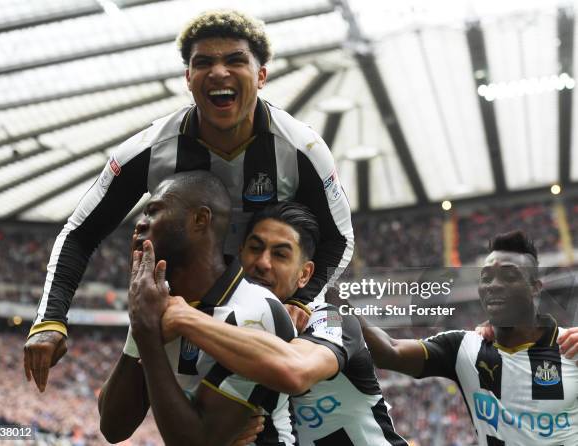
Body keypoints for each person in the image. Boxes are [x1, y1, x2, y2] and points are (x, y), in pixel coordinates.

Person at [24, 9, 354, 392]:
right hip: (177, 309)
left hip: (269, 316)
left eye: (234, 60)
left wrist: (301, 299)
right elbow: (80, 232)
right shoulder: (149, 150)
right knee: (129, 423)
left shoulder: (302, 149)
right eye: (204, 63)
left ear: (261, 76)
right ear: (188, 79)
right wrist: (50, 318)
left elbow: (340, 237)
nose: (218, 72)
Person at [161, 202, 407, 446]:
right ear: (239, 255)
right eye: (255, 248)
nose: (263, 263)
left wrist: (185, 318)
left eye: (280, 254)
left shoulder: (332, 318)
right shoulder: (232, 330)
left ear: (304, 274)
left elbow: (294, 371)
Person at [98, 171, 296, 445]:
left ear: (200, 220)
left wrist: (147, 334)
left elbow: (196, 442)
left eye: (153, 212)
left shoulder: (255, 311)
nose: (140, 224)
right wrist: (140, 328)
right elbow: (113, 428)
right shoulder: (155, 305)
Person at [337, 231, 577, 445]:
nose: (493, 285)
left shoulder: (571, 348)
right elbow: (389, 351)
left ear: (535, 287)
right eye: (486, 277)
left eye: (508, 276)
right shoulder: (463, 347)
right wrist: (336, 301)